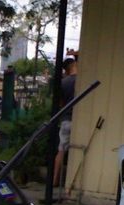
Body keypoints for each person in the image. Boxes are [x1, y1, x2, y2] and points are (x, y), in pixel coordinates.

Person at [53, 56, 78, 189]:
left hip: (66, 120)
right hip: (80, 120)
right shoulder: (81, 81)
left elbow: (60, 104)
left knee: (61, 150)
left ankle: (54, 181)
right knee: (78, 149)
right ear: (74, 64)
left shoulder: (63, 83)